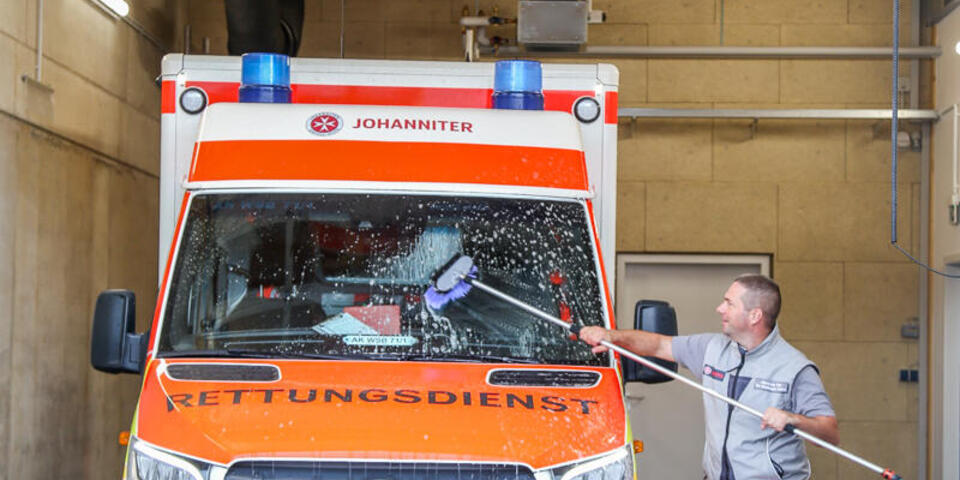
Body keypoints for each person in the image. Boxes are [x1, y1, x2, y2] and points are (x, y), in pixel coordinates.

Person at [579, 274, 838, 480]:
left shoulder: (795, 368)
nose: (719, 308)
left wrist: (793, 419)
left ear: (755, 315)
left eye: (729, 303)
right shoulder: (712, 349)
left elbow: (829, 433)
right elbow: (658, 345)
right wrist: (612, 337)